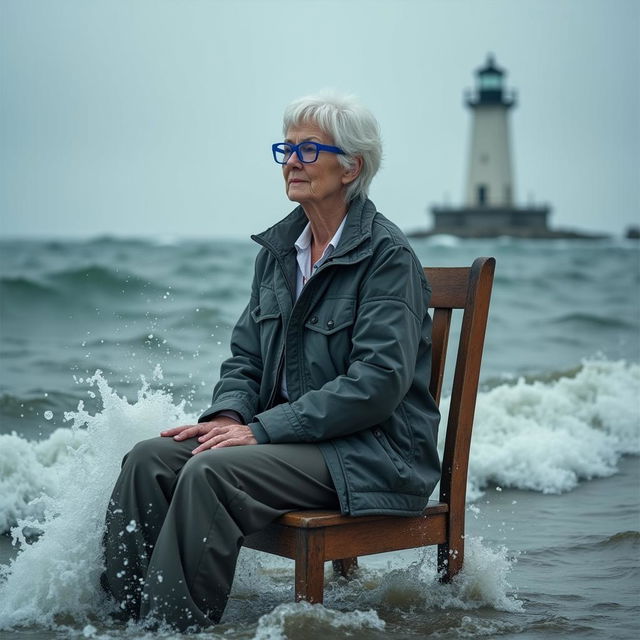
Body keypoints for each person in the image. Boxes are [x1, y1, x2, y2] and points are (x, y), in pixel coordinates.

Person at [101, 90, 441, 631]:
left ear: (351, 166)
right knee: (149, 459)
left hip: (373, 453)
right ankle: (116, 623)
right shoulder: (279, 253)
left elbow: (378, 383)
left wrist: (261, 431)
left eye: (308, 150)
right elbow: (245, 358)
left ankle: (172, 628)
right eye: (287, 148)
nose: (292, 161)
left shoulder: (387, 256)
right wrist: (230, 418)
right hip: (294, 442)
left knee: (214, 472)